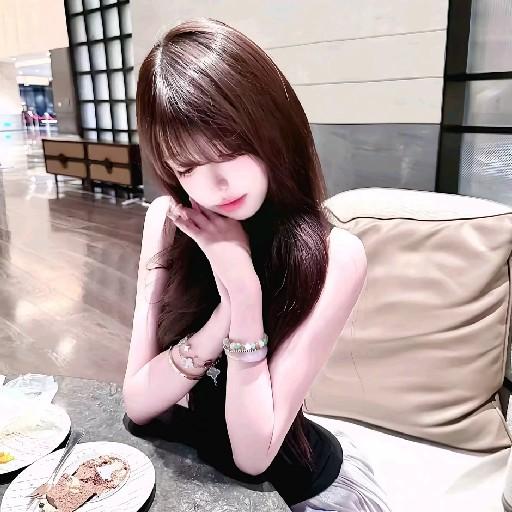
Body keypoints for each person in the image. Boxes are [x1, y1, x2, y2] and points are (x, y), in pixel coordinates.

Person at [123, 17, 392, 512]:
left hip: (301, 492)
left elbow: (254, 455)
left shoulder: (336, 255)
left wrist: (246, 295)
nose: (216, 185)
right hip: (198, 476)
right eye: (188, 167)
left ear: (272, 129)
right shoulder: (167, 220)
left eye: (231, 151)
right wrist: (225, 310)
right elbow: (138, 404)